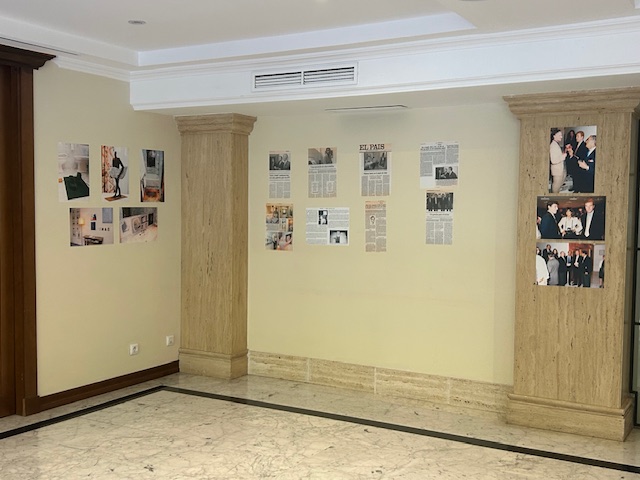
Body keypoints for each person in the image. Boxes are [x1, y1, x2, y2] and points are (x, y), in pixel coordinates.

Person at [549, 128, 567, 193]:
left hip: (559, 169)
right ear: (554, 136)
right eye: (559, 135)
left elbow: (557, 155)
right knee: (556, 187)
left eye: (561, 135)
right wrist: (562, 157)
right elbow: (553, 160)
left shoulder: (556, 143)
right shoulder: (553, 145)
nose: (561, 137)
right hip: (557, 171)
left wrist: (563, 153)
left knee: (558, 185)